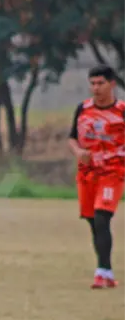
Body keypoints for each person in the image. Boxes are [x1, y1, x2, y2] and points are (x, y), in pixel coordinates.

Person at [68, 64, 125, 289]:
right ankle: (106, 271)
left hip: (112, 173)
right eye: (92, 83)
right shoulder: (83, 109)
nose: (96, 88)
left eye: (101, 83)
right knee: (94, 222)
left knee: (102, 217)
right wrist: (78, 152)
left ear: (112, 84)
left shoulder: (121, 111)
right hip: (87, 174)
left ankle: (102, 272)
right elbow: (72, 138)